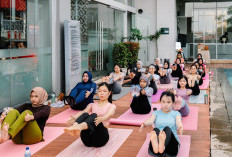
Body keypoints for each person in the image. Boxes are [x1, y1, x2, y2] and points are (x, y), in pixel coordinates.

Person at [64, 82, 116, 147]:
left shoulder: (111, 106)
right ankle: (75, 125)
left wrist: (101, 119)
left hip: (101, 138)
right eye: (100, 91)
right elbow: (83, 112)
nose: (102, 93)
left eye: (104, 91)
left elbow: (109, 115)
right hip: (88, 140)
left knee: (94, 115)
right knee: (86, 114)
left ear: (109, 93)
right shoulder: (92, 105)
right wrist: (74, 118)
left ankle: (80, 126)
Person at [140, 91, 183, 157]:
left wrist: (180, 127)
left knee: (167, 129)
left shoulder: (176, 114)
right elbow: (151, 120)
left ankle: (162, 145)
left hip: (171, 146)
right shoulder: (156, 113)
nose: (165, 104)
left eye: (168, 102)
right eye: (163, 102)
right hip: (156, 148)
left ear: (173, 103)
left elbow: (178, 122)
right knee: (156, 130)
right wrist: (144, 123)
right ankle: (158, 145)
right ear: (160, 102)